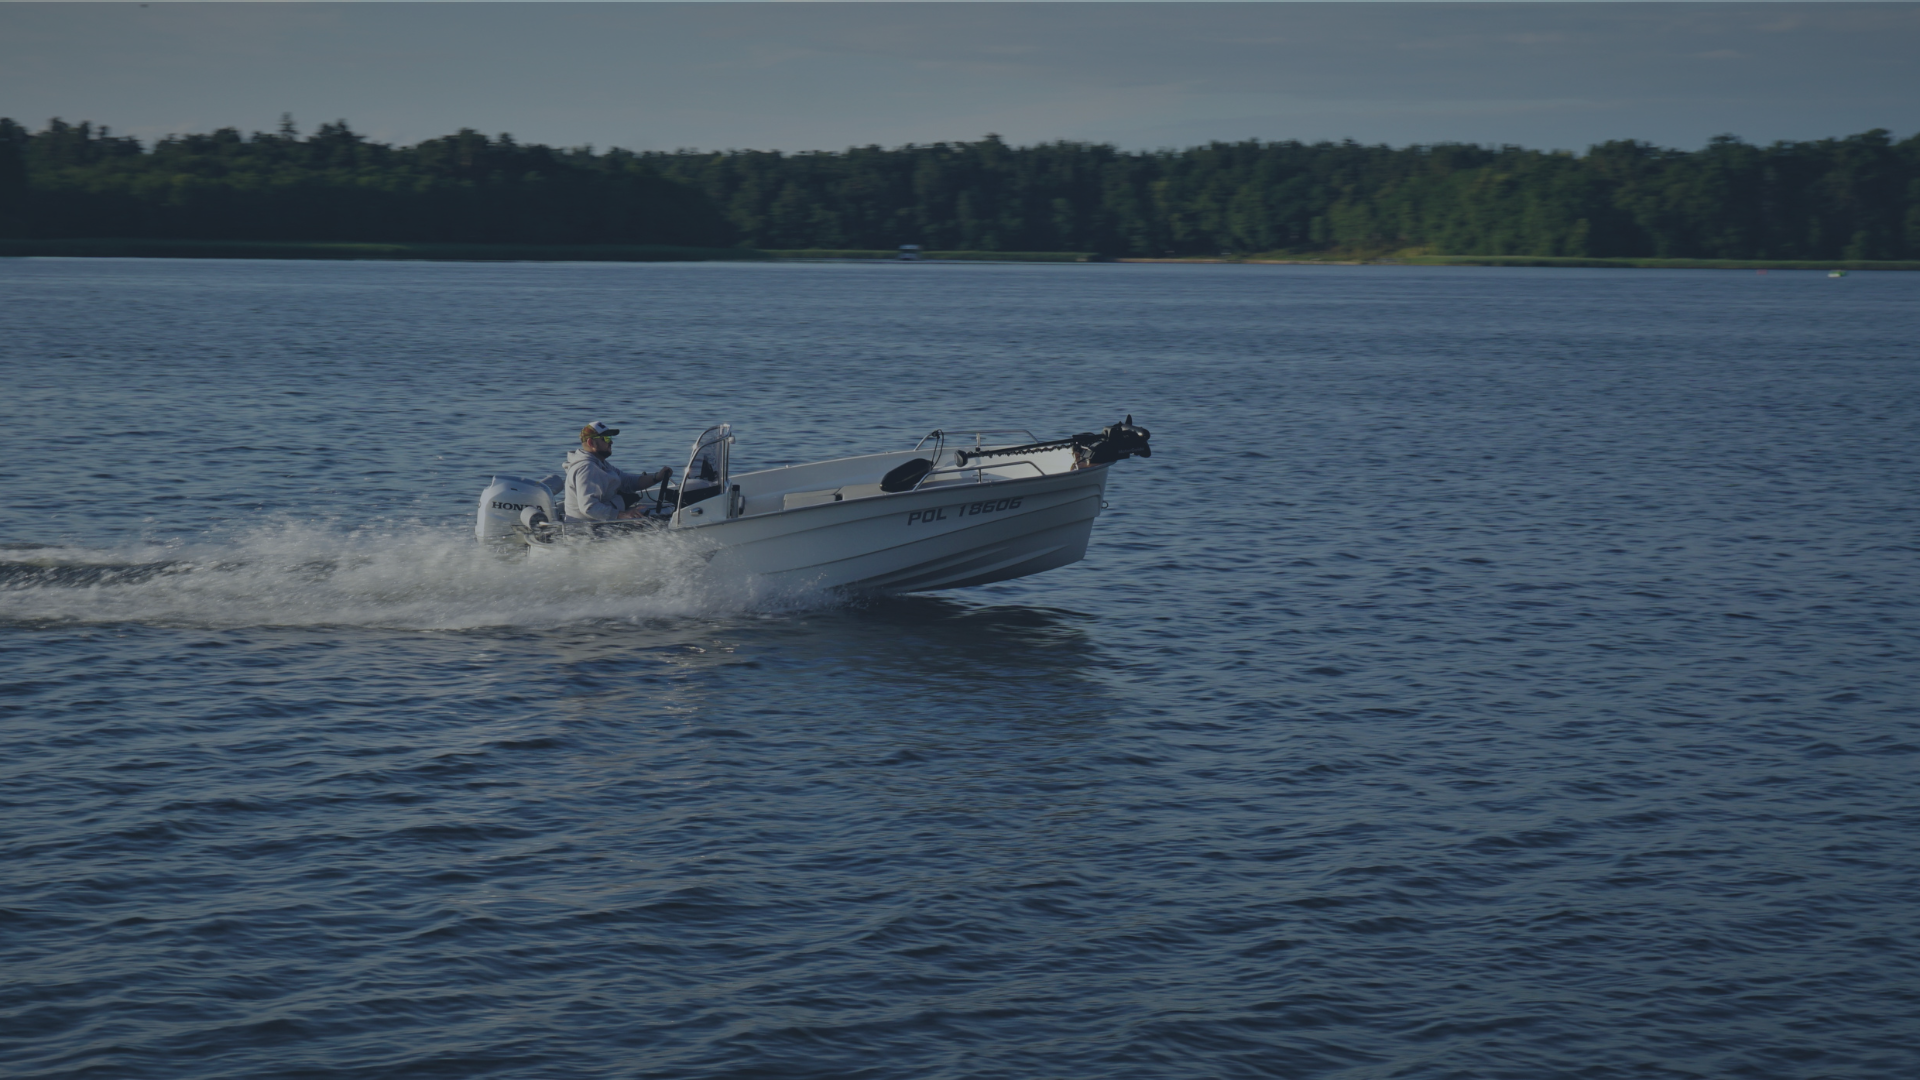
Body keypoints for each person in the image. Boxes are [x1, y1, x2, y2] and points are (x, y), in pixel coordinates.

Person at [564, 421, 672, 522]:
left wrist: (657, 477)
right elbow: (589, 507)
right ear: (591, 442)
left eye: (610, 437)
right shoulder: (587, 468)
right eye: (606, 438)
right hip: (590, 532)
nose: (611, 441)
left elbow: (627, 482)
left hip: (603, 524)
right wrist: (622, 515)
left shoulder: (600, 463)